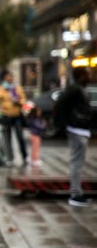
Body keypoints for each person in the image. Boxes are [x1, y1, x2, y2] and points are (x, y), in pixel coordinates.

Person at [54, 67, 92, 207]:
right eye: (87, 73)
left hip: (80, 129)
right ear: (81, 76)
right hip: (76, 129)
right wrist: (65, 125)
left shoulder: (79, 88)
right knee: (77, 162)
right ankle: (75, 194)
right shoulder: (75, 89)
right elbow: (59, 105)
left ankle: (77, 193)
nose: (90, 75)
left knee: (78, 162)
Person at [0, 70, 28, 166]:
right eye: (8, 77)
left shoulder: (17, 88)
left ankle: (25, 157)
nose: (10, 78)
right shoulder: (1, 89)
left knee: (20, 137)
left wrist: (19, 102)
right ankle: (10, 158)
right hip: (6, 116)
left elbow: (23, 99)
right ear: (5, 78)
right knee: (8, 138)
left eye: (11, 76)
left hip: (17, 116)